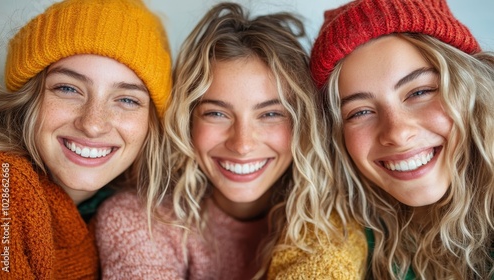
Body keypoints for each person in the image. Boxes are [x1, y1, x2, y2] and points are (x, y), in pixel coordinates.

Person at [95, 2, 367, 279]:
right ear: (188, 120)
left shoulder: (335, 224)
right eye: (216, 113)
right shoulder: (139, 219)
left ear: (303, 123)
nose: (242, 144)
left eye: (270, 114)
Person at [303, 0, 494, 278]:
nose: (397, 133)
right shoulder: (344, 235)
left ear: (473, 92)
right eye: (360, 112)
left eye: (419, 92)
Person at [0, 0, 171, 278]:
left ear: (152, 124)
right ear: (28, 100)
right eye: (68, 88)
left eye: (126, 99)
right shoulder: (3, 185)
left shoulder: (139, 215)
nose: (92, 125)